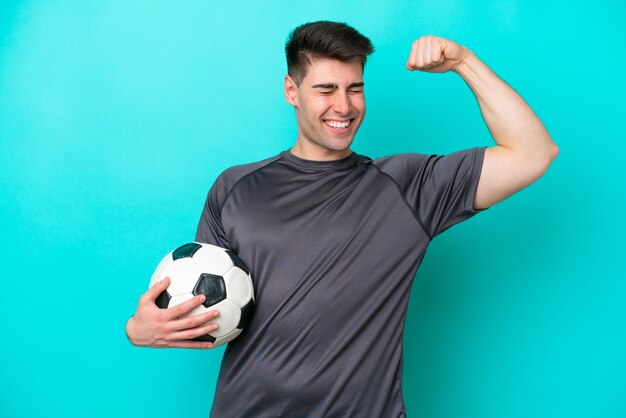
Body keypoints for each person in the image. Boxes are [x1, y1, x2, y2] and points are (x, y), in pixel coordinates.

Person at [126, 21, 558, 417]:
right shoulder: (236, 187)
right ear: (291, 91)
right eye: (326, 89)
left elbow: (534, 153)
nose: (344, 106)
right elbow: (205, 313)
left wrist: (465, 62)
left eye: (355, 88)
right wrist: (140, 330)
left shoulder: (407, 187)